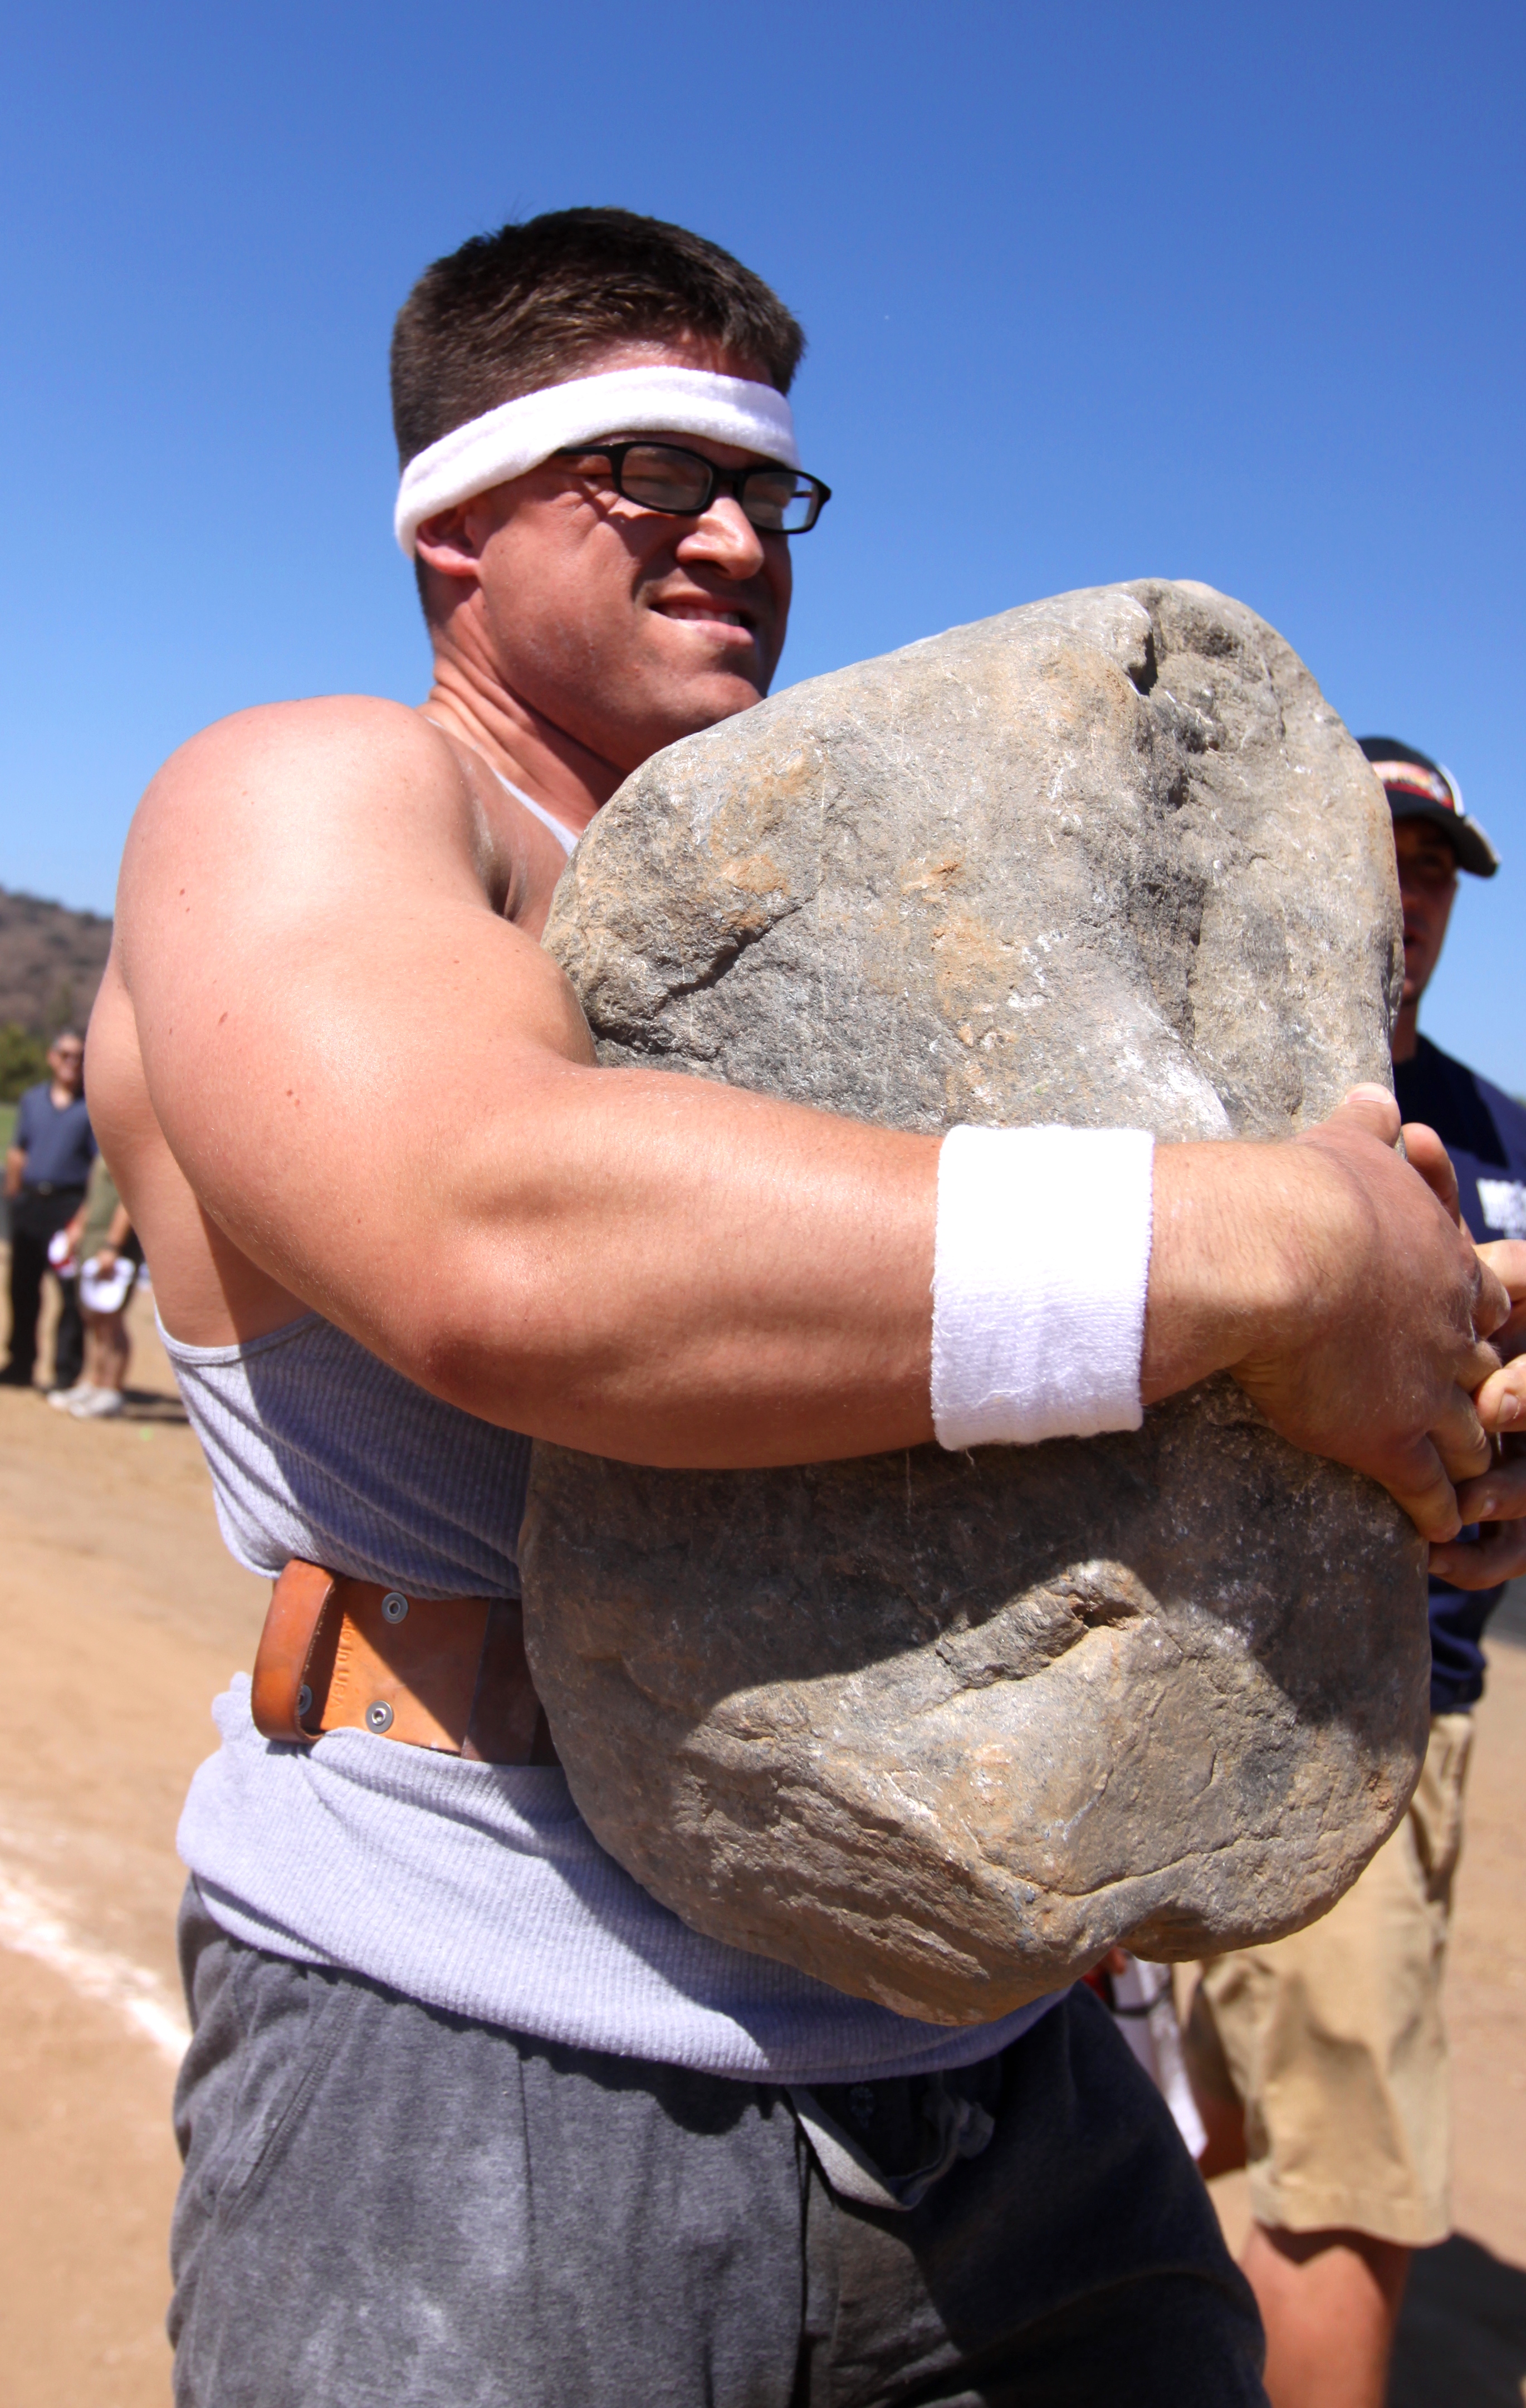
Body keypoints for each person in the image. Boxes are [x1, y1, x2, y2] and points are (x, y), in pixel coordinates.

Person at [87, 209, 1524, 2408]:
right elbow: (500, 1239)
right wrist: (1285, 1250)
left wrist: (1392, 1453)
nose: (742, 534)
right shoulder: (321, 797)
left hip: (1012, 2071)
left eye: (772, 484)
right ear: (459, 510)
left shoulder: (843, 899)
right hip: (490, 2037)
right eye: (653, 470)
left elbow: (1034, 1361)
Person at [1185, 737, 1526, 2408]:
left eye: (1433, 872)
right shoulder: (1218, 1113)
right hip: (1280, 1708)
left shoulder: (1498, 1130)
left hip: (1434, 1707)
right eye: (1377, 854)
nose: (1405, 902)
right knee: (1353, 2196)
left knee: (1232, 2116)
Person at [2, 1030, 94, 1392]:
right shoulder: (32, 1100)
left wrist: (80, 1223)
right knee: (22, 1288)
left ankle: (65, 1372)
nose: (72, 1064)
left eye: (79, 1057)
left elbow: (100, 1170)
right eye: (66, 1055)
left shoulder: (90, 1108)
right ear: (52, 1058)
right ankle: (20, 1362)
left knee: (70, 1295)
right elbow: (18, 1149)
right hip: (30, 1203)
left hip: (67, 1205)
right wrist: (13, 1193)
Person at [50, 1153, 141, 1417]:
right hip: (93, 1238)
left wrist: (113, 1245)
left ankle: (112, 1389)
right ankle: (93, 1381)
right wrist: (77, 1228)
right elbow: (94, 1195)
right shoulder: (104, 1147)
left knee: (111, 1320)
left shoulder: (128, 1148)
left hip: (112, 1244)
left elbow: (129, 1200)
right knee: (91, 1317)